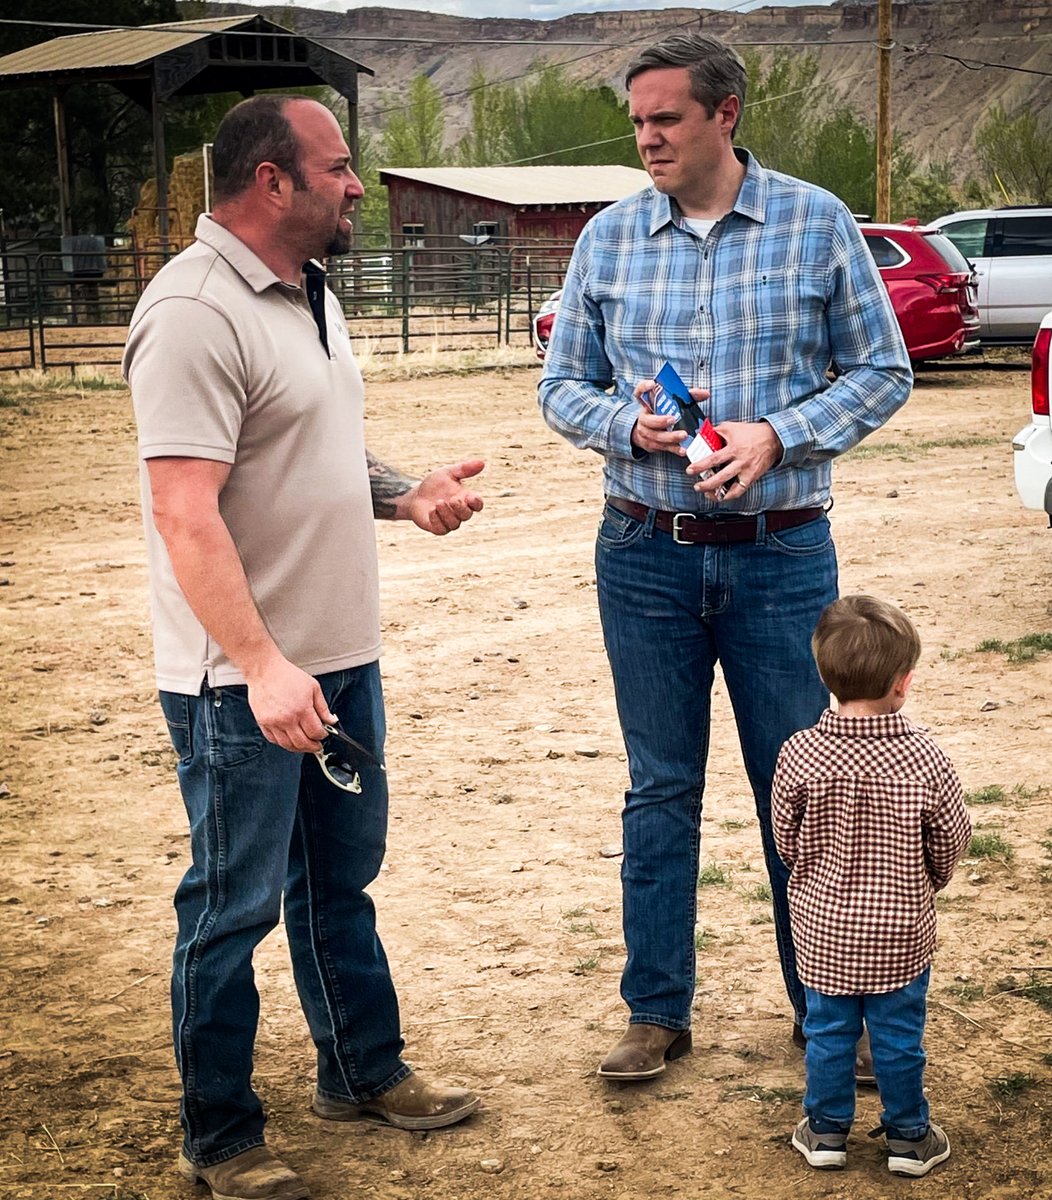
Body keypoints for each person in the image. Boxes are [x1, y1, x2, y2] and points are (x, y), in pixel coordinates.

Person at [123, 95, 484, 1200]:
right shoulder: (192, 312)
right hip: (242, 682)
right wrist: (263, 666)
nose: (358, 184)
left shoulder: (303, 291)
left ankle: (361, 1071)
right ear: (272, 182)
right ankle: (221, 1135)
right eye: (338, 166)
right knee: (230, 904)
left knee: (339, 883)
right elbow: (186, 513)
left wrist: (401, 493)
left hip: (336, 659)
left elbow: (307, 447)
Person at [538, 31, 912, 1080]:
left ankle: (824, 1009)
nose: (647, 136)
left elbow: (882, 370)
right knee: (659, 789)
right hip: (643, 552)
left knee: (798, 784)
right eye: (640, 119)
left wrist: (777, 436)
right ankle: (655, 1013)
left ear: (726, 112)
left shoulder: (815, 221)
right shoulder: (608, 239)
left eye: (666, 117)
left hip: (782, 556)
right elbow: (560, 385)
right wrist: (626, 427)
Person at [771, 596, 971, 1177]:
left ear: (825, 675)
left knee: (828, 1030)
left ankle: (827, 1130)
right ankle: (909, 1136)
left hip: (823, 927)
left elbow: (784, 836)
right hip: (900, 930)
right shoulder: (926, 757)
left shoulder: (800, 752)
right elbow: (950, 836)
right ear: (903, 683)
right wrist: (927, 881)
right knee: (899, 1035)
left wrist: (811, 876)